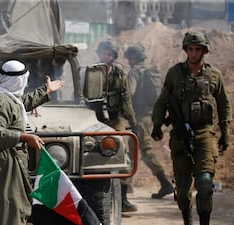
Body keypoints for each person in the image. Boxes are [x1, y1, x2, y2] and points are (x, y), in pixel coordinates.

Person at [0, 59, 65, 225]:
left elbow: (21, 105)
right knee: (5, 212)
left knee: (10, 210)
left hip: (4, 164)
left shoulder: (6, 98)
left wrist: (46, 90)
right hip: (0, 167)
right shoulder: (0, 101)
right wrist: (24, 137)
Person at [151, 31, 231, 225]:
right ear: (186, 50)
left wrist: (225, 133)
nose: (194, 53)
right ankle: (187, 221)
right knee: (183, 188)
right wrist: (157, 124)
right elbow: (162, 100)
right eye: (191, 49)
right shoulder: (174, 74)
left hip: (204, 134)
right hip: (180, 135)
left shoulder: (214, 75)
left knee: (204, 183)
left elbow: (223, 104)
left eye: (198, 50)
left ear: (204, 51)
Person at [87, 39, 138, 213]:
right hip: (95, 120)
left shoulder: (119, 75)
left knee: (124, 155)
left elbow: (126, 101)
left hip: (115, 121)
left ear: (114, 56)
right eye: (103, 52)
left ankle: (122, 198)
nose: (105, 56)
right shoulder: (91, 73)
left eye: (109, 53)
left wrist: (132, 122)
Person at [125, 44, 174, 199]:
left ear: (132, 58)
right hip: (148, 116)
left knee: (146, 151)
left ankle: (165, 183)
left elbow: (129, 92)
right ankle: (127, 186)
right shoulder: (147, 71)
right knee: (131, 150)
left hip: (139, 118)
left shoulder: (134, 72)